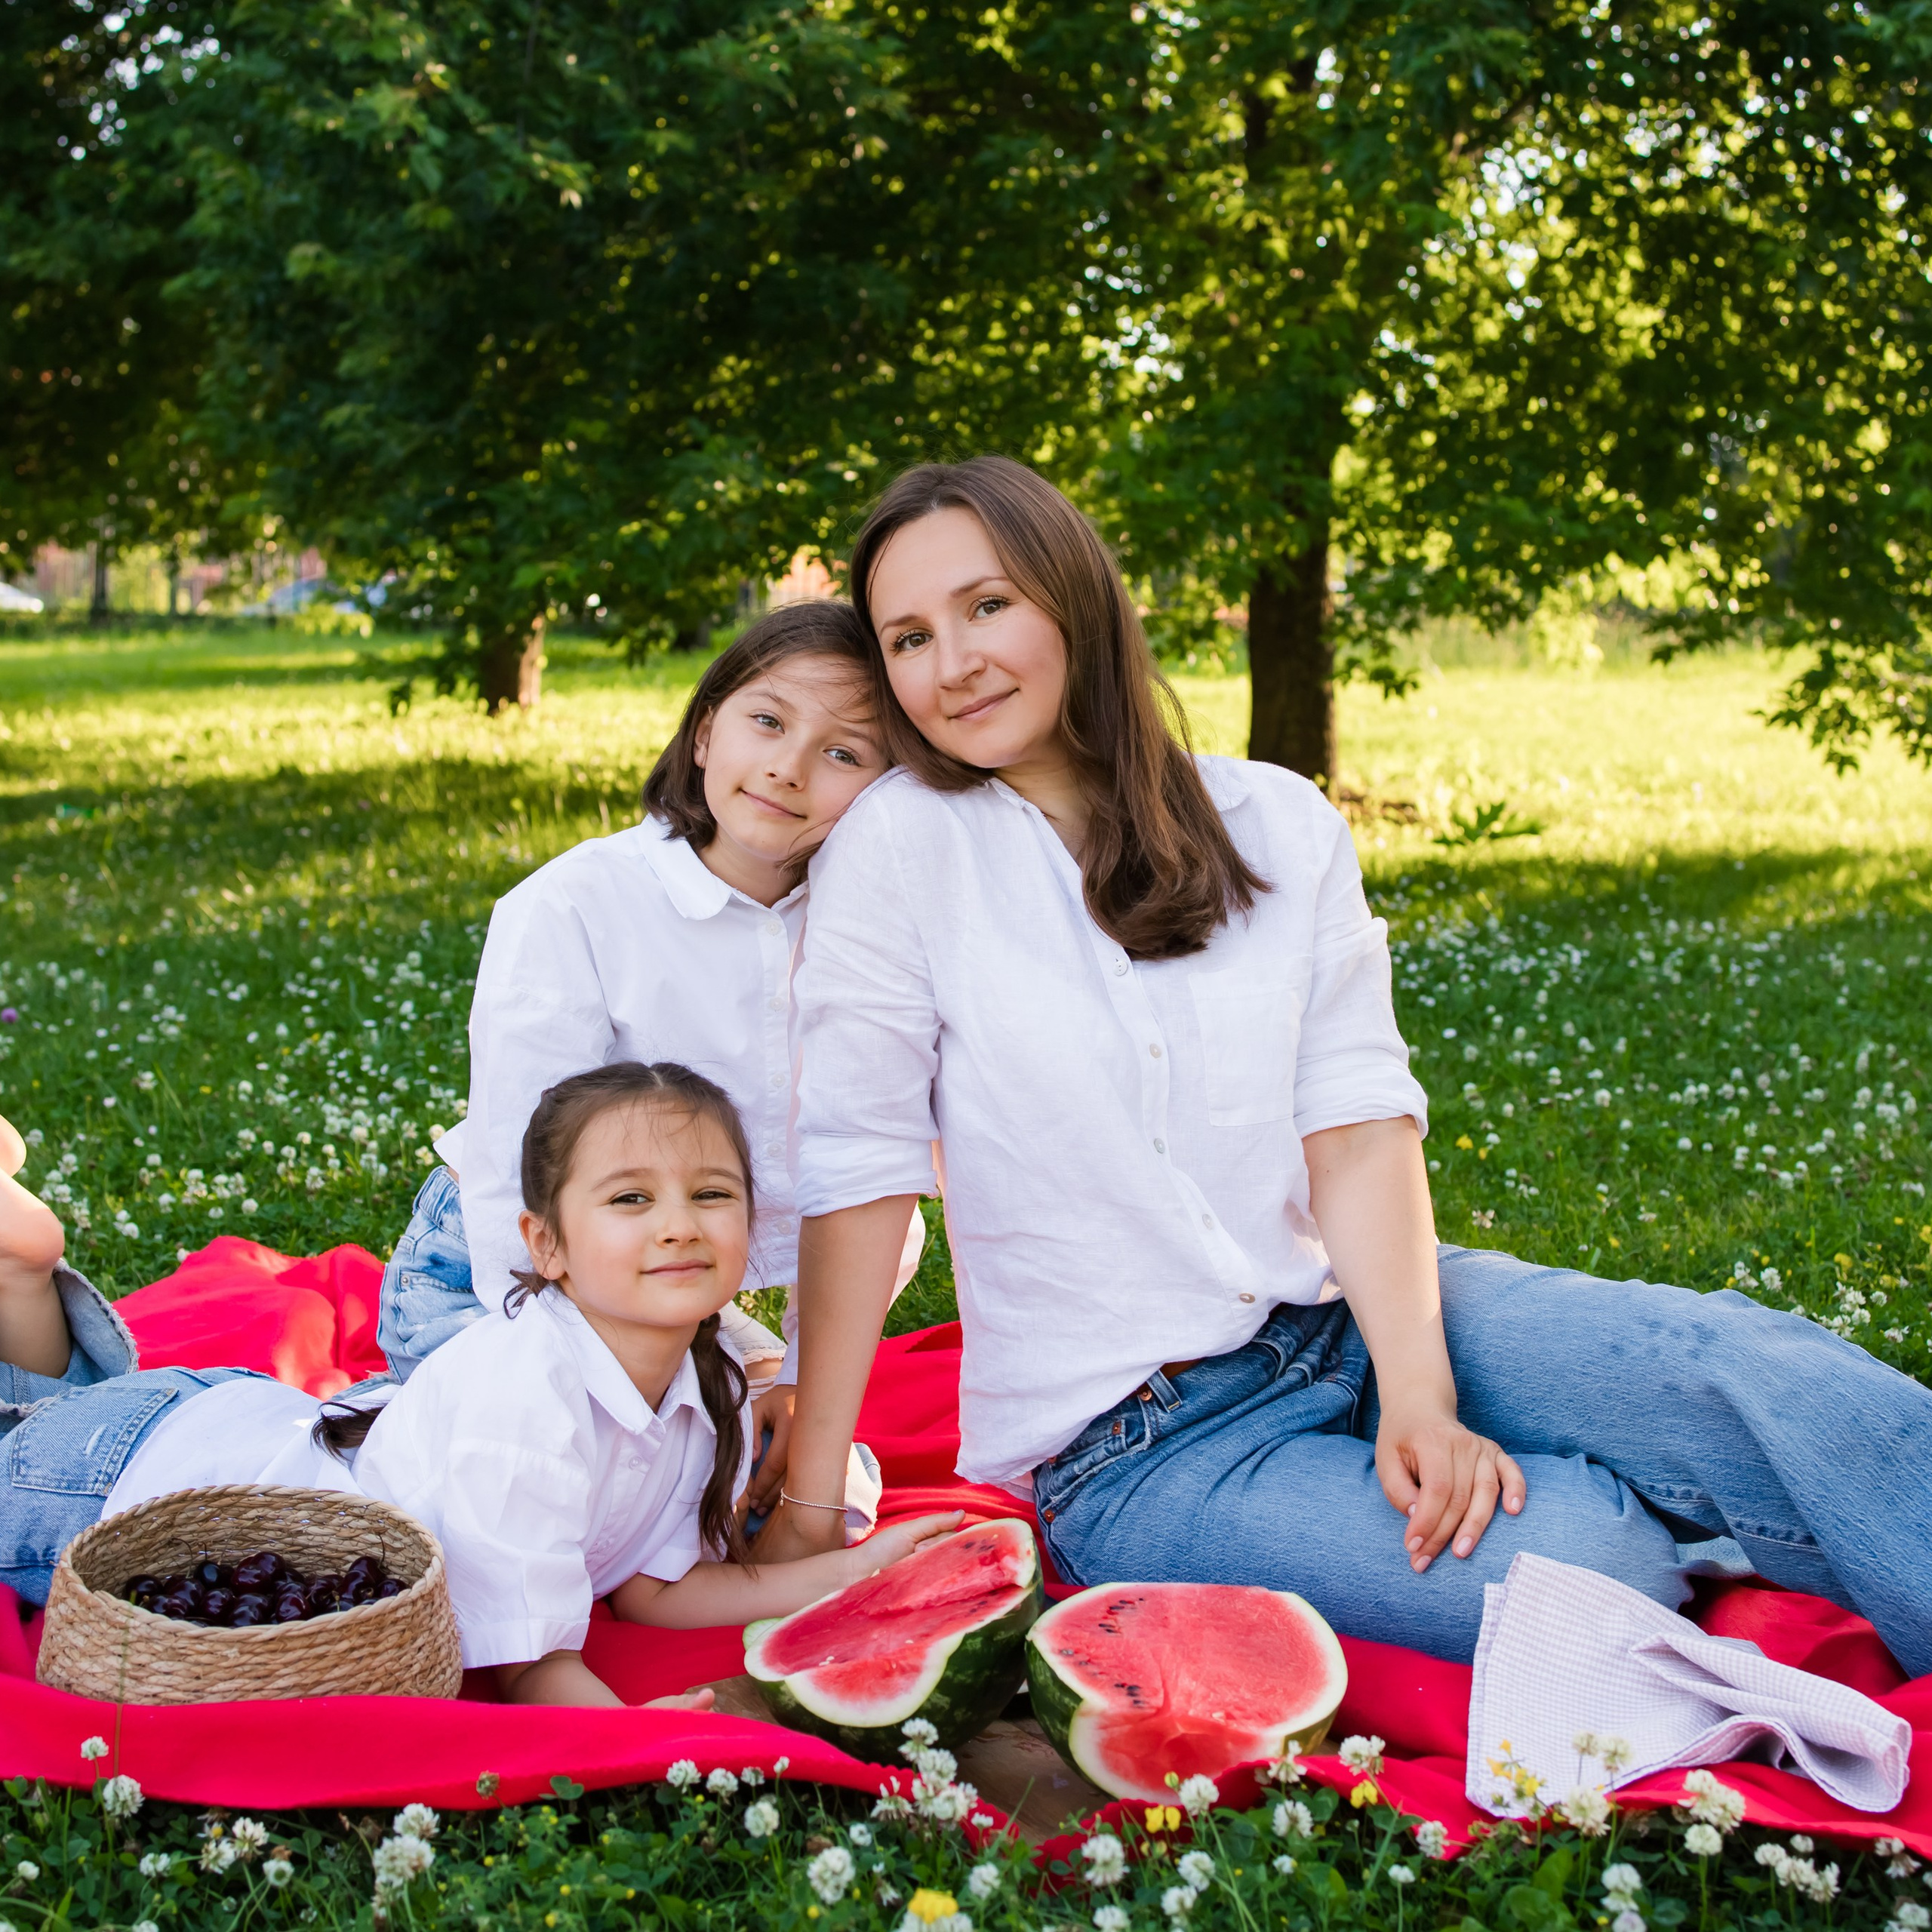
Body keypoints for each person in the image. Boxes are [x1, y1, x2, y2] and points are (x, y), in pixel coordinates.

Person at [758, 454, 1932, 1675]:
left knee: (1770, 1378)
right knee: (1595, 1565)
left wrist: (1421, 1393)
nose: (953, 663)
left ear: (1074, 596)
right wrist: (806, 1504)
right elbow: (861, 1170)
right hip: (1143, 1451)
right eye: (908, 638)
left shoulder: (1278, 822)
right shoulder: (901, 848)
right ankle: (1658, 1512)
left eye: (988, 605)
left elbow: (1358, 1123)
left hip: (1351, 1319)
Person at [0, 1075, 956, 1706]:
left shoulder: (704, 1388)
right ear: (544, 1243)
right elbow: (532, 1669)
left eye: (711, 1194)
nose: (677, 1225)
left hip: (231, 1427)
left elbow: (659, 1593)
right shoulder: (525, 1394)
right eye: (630, 1198)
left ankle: (22, 1276)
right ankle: (22, 1269)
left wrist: (862, 1569)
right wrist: (642, 1734)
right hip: (129, 1484)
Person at [379, 599, 926, 1507]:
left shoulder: (869, 933)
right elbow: (515, 1182)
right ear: (705, 730)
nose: (788, 767)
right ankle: (374, 1425)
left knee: (815, 1493)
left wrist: (798, 1376)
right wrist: (572, 1387)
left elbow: (869, 1175)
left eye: (844, 753)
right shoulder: (574, 906)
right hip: (507, 1280)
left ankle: (717, 1392)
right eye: (767, 721)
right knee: (591, 1504)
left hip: (673, 1287)